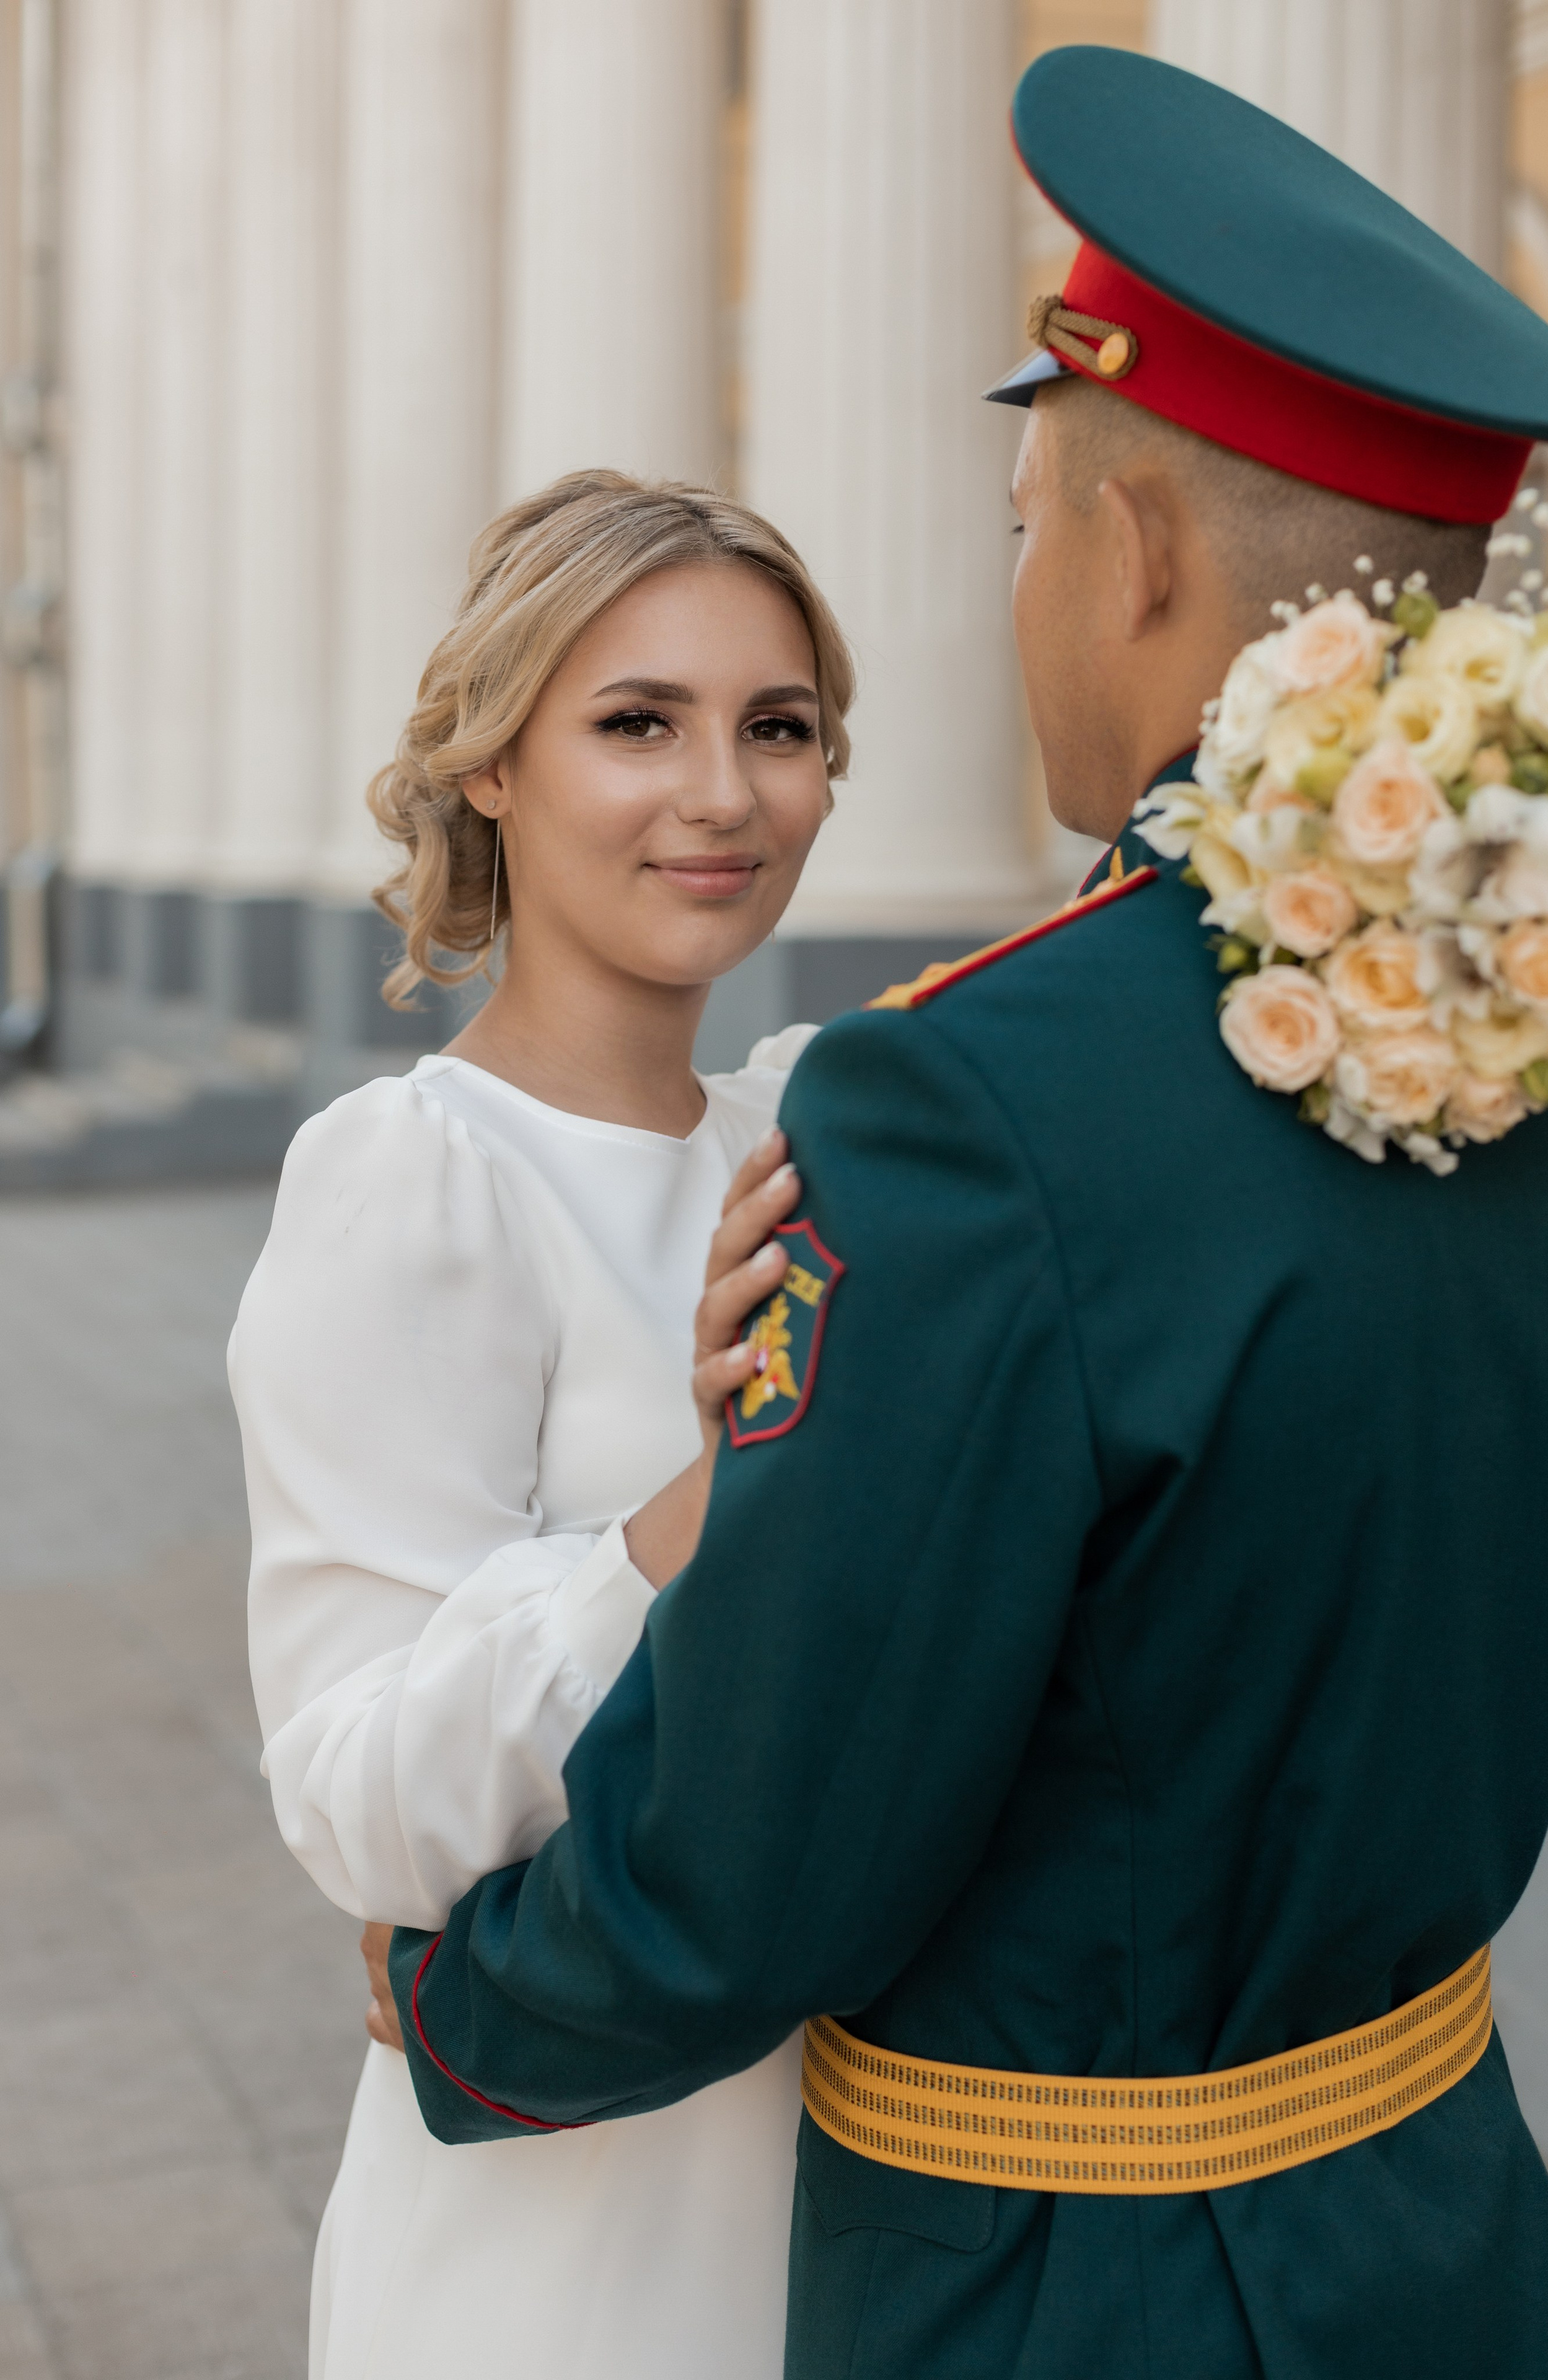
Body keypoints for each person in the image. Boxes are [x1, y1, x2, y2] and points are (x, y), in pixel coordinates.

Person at [382, 50, 1548, 2380]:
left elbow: (773, 1827)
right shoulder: (1534, 1014)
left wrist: (473, 2005)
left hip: (1073, 2288)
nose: (1025, 578)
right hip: (1442, 2215)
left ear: (1133, 552)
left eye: (1032, 518)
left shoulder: (971, 1091)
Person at [229, 469, 855, 2380]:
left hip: (857, 2158)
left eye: (780, 728)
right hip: (568, 2205)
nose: (722, 795)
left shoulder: (812, 1139)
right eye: (636, 723)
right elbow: (358, 1802)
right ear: (494, 763)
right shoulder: (415, 1178)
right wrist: (691, 1507)